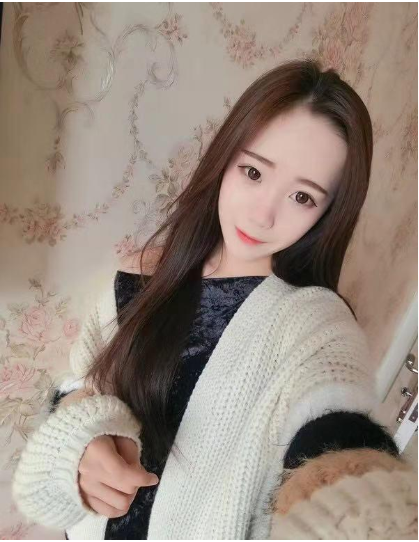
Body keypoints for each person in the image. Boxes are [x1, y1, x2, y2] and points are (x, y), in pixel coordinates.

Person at [12, 58, 417, 540]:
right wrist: (79, 441)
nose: (263, 215)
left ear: (327, 214)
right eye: (253, 172)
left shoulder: (315, 324)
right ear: (225, 160)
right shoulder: (136, 279)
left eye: (303, 197)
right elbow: (81, 383)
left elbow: (335, 438)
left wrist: (369, 505)